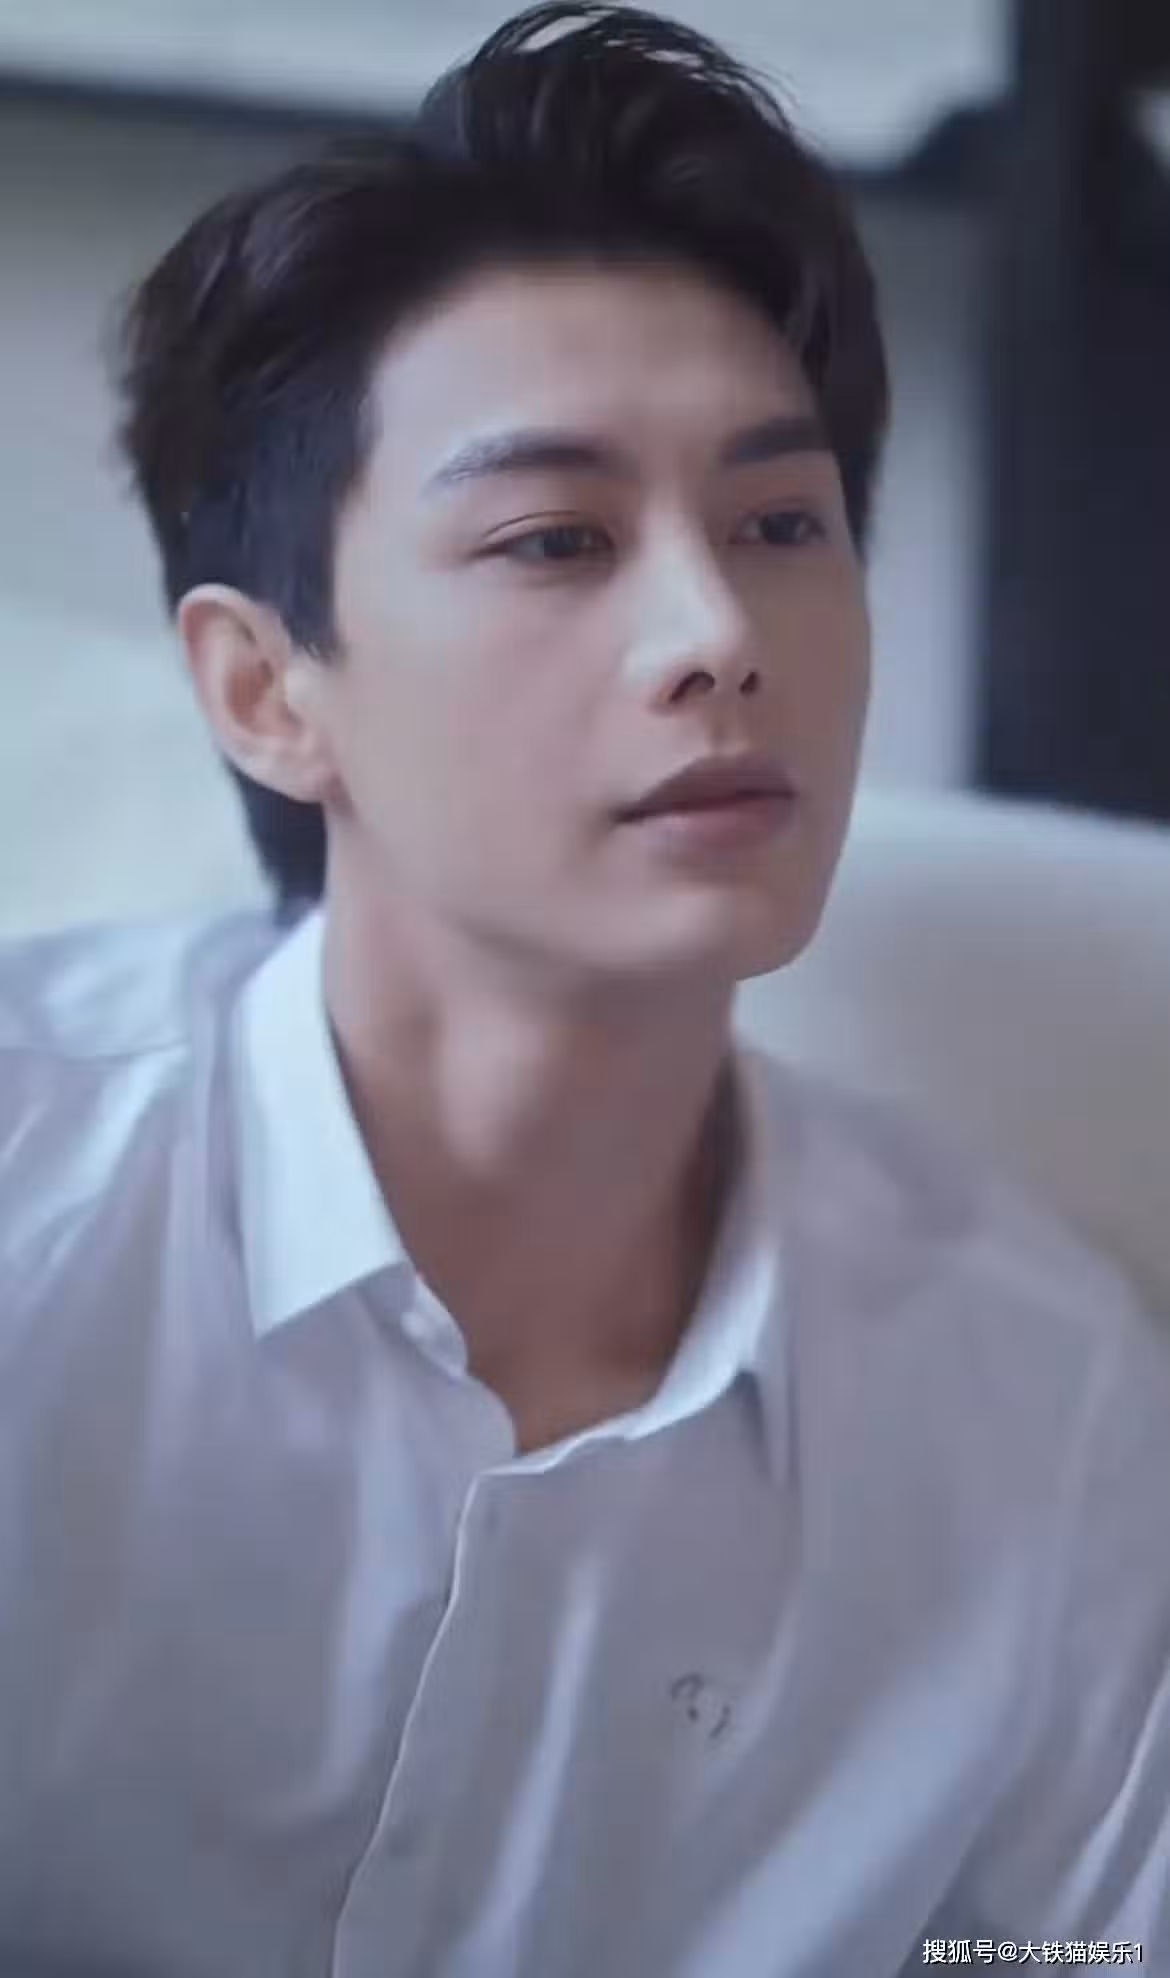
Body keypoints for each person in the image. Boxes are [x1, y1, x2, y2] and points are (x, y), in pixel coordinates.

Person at [1, 5, 1168, 1973]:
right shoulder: (38, 1205)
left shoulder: (1037, 1400)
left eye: (780, 523)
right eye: (555, 537)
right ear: (267, 690)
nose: (717, 630)